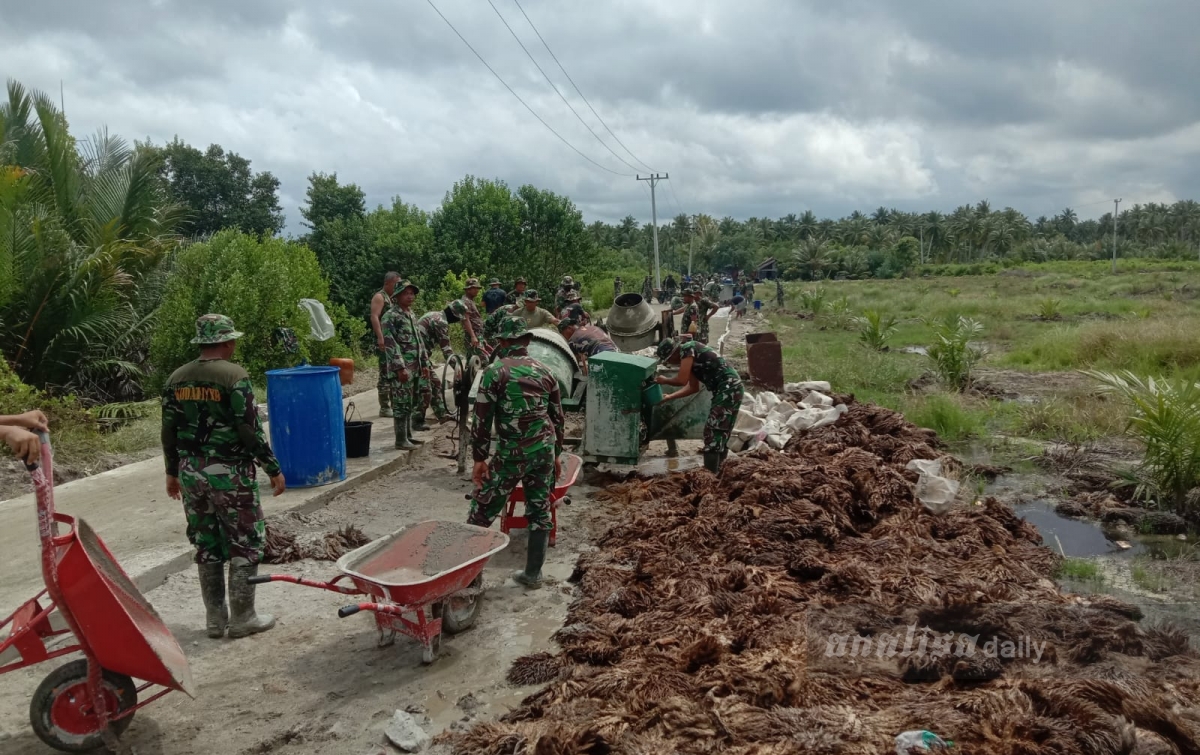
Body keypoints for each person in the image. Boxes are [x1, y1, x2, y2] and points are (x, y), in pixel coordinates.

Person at [162, 314, 285, 640]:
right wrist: (271, 467)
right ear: (227, 342)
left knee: (206, 543)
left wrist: (171, 472)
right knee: (245, 541)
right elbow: (248, 428)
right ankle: (243, 617)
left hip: (191, 474)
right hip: (229, 473)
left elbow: (168, 430)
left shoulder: (176, 378)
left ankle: (215, 621)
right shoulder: (234, 376)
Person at [467, 317, 564, 588]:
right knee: (539, 509)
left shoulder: (495, 371)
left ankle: (470, 580)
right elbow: (558, 418)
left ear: (502, 342)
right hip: (543, 450)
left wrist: (479, 459)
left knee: (481, 510)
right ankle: (533, 574)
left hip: (512, 453)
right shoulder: (546, 372)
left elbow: (482, 420)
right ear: (527, 342)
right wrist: (556, 453)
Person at [654, 337, 744, 474]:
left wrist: (665, 380)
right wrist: (670, 397)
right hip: (729, 389)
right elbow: (693, 387)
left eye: (668, 361)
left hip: (728, 388)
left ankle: (710, 478)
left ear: (673, 354)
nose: (669, 364)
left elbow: (681, 380)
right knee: (720, 432)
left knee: (712, 433)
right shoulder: (690, 358)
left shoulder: (687, 349)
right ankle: (720, 474)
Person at [382, 280, 426, 450]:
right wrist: (400, 367)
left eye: (412, 293)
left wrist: (425, 364)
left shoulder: (411, 314)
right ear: (398, 296)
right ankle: (400, 440)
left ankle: (408, 436)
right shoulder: (391, 316)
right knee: (400, 404)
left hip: (415, 367)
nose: (410, 296)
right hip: (402, 369)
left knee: (410, 402)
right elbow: (390, 343)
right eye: (406, 293)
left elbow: (418, 341)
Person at [370, 272, 401, 417]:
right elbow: (375, 316)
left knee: (396, 372)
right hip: (385, 341)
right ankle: (384, 407)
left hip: (395, 342)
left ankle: (396, 404)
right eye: (396, 283)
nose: (398, 286)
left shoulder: (394, 298)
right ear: (388, 283)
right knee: (385, 373)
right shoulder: (380, 297)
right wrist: (380, 337)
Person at [415, 311, 454, 427]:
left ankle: (442, 415)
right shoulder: (441, 322)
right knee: (425, 388)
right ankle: (417, 420)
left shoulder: (435, 315)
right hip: (415, 357)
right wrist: (458, 368)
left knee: (435, 384)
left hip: (421, 356)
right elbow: (446, 349)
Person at [447, 278, 486, 360]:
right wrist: (473, 336)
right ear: (468, 290)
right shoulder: (466, 301)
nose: (477, 290)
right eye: (474, 288)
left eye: (477, 288)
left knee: (473, 361)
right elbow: (465, 319)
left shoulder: (470, 300)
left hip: (477, 333)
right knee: (481, 360)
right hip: (473, 333)